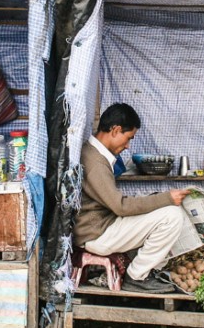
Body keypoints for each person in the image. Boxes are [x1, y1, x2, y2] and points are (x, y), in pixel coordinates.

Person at [73, 103, 196, 294]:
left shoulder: (95, 155)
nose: (128, 145)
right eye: (128, 138)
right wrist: (167, 198)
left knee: (165, 211)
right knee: (172, 216)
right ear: (115, 130)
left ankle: (144, 271)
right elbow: (121, 207)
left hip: (102, 227)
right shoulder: (94, 161)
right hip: (97, 234)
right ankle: (137, 276)